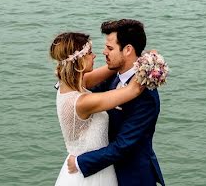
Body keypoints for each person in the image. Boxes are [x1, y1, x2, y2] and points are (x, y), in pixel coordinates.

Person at [67, 19, 165, 186]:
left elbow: (123, 145)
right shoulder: (114, 76)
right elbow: (82, 90)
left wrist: (79, 162)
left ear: (128, 50)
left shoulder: (146, 95)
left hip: (133, 177)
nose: (104, 52)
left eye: (110, 48)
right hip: (107, 172)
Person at [51, 32, 145, 186]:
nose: (94, 56)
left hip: (88, 167)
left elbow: (113, 68)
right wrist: (151, 61)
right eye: (89, 53)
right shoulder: (83, 102)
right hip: (89, 174)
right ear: (79, 61)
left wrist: (133, 57)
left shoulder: (70, 85)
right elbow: (133, 90)